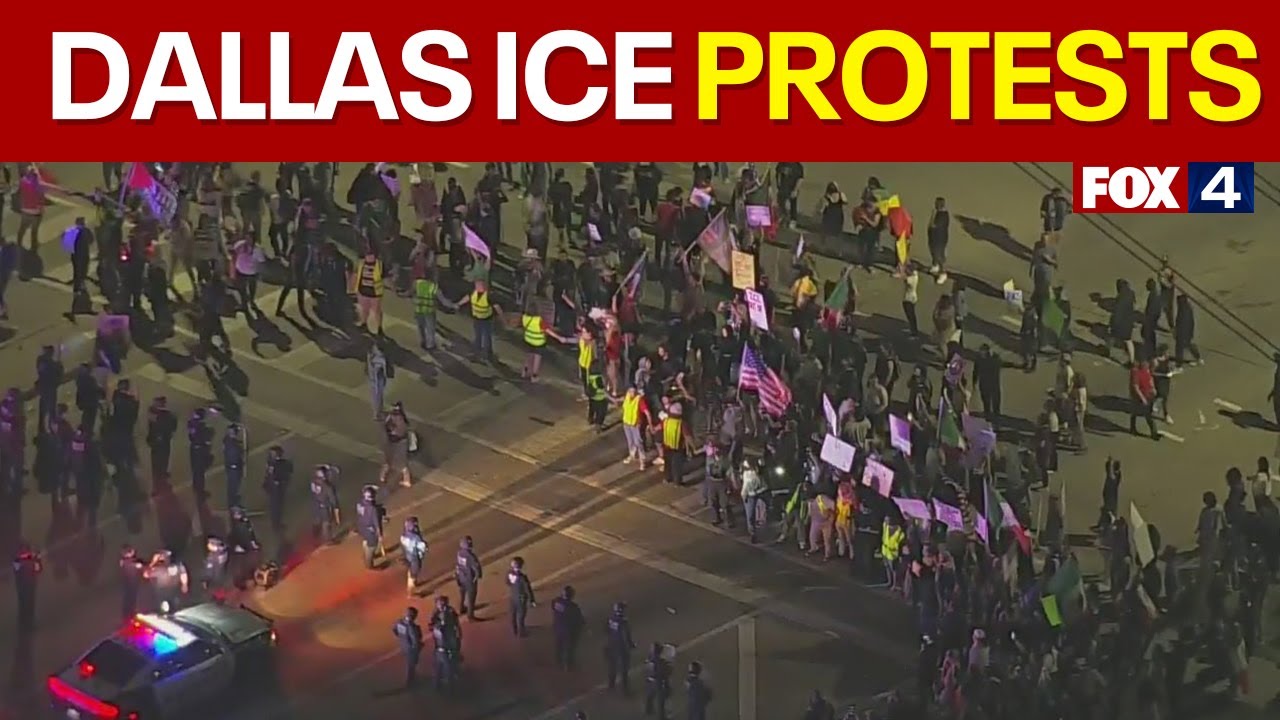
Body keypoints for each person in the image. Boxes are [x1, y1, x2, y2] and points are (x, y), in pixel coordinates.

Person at [428, 595, 462, 691]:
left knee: (450, 661)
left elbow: (456, 625)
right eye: (439, 604)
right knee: (442, 665)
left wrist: (458, 635)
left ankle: (451, 678)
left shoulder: (450, 612)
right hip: (442, 643)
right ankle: (444, 685)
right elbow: (431, 626)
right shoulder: (435, 613)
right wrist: (438, 626)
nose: (441, 606)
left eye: (443, 604)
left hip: (449, 640)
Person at [551, 585, 585, 669]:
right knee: (569, 648)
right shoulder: (573, 607)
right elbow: (579, 620)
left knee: (559, 645)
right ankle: (568, 665)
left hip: (558, 627)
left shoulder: (556, 601)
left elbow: (553, 607)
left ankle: (558, 660)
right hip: (568, 631)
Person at [12, 542, 43, 632]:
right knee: (24, 603)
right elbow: (16, 569)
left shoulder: (32, 556)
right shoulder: (18, 558)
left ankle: (29, 623)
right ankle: (24, 624)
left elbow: (38, 569)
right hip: (23, 584)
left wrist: (37, 559)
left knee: (29, 603)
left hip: (30, 582)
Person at [354, 248, 385, 335]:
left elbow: (385, 277)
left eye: (371, 255)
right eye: (367, 255)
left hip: (375, 293)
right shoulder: (361, 264)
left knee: (376, 312)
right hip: (363, 292)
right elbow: (357, 276)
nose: (369, 257)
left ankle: (379, 328)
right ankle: (364, 324)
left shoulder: (379, 265)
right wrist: (356, 290)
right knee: (364, 310)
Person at [392, 606, 424, 688]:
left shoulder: (399, 622)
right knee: (411, 665)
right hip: (411, 649)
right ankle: (410, 682)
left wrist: (401, 638)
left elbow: (394, 630)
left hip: (403, 646)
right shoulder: (411, 627)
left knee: (410, 664)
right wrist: (419, 647)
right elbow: (415, 640)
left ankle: (413, 678)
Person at [356, 485, 387, 569]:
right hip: (370, 531)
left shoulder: (359, 503)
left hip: (361, 527)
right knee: (372, 546)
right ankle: (369, 564)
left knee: (365, 541)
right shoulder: (373, 509)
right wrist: (380, 535)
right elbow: (377, 524)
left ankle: (366, 555)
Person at [506, 556, 537, 637]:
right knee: (521, 615)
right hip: (521, 598)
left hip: (513, 596)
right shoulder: (522, 577)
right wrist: (532, 600)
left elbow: (507, 582)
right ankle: (521, 632)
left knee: (513, 614)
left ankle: (514, 630)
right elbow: (527, 589)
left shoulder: (509, 573)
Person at [310, 465, 340, 544]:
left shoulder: (313, 482)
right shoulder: (327, 487)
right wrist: (336, 512)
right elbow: (333, 501)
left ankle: (315, 535)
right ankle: (328, 540)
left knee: (316, 520)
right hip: (324, 507)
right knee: (326, 523)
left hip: (315, 504)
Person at [454, 536, 482, 619]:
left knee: (462, 594)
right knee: (471, 597)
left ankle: (461, 608)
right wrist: (477, 576)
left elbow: (458, 565)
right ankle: (470, 615)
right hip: (469, 579)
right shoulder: (471, 556)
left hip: (461, 577)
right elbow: (476, 568)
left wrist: (457, 575)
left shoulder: (459, 553)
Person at [400, 517, 428, 597]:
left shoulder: (403, 536)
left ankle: (413, 584)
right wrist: (425, 546)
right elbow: (422, 547)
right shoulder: (415, 537)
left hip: (408, 555)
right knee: (414, 573)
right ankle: (410, 592)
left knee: (411, 571)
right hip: (414, 557)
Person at [644, 642, 672, 718]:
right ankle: (661, 716)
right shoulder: (661, 662)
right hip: (658, 682)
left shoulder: (649, 658)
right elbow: (665, 673)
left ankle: (648, 709)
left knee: (650, 695)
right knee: (661, 700)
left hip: (650, 679)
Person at [118, 544, 145, 619]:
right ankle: (130, 614)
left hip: (127, 583)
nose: (134, 552)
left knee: (127, 598)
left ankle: (127, 613)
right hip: (132, 583)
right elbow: (140, 565)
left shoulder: (123, 561)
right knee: (131, 598)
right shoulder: (131, 562)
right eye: (131, 551)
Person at [367, 344, 389, 421]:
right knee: (377, 397)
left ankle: (378, 412)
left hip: (377, 379)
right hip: (377, 380)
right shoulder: (377, 359)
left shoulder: (373, 358)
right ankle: (377, 414)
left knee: (378, 397)